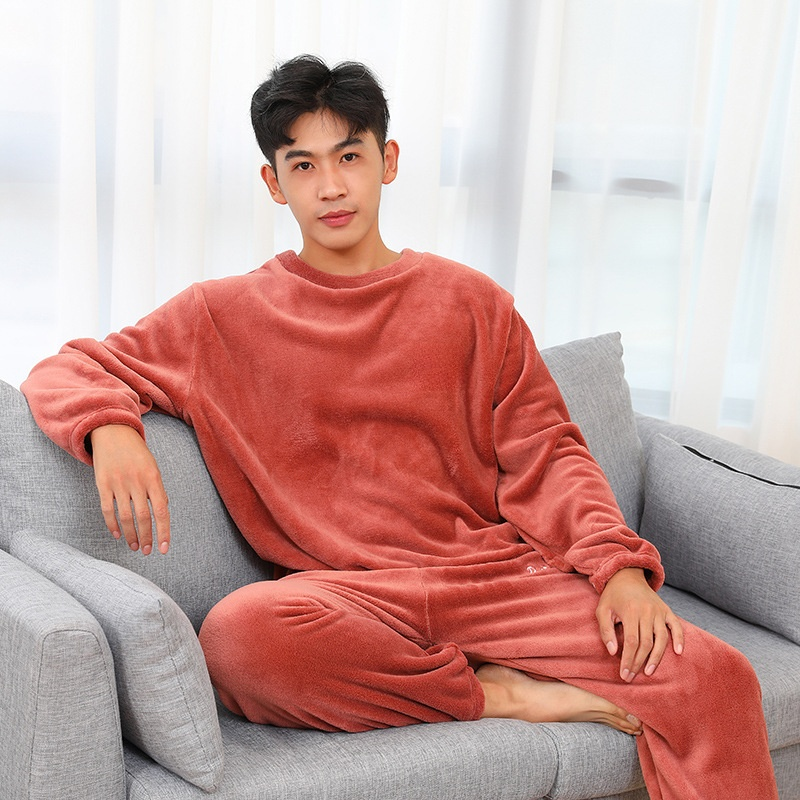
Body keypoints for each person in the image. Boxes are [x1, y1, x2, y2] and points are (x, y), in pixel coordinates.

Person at [22, 55, 777, 799]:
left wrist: (620, 570)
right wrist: (111, 429)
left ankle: (521, 667)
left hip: (498, 583)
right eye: (303, 165)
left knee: (715, 679)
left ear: (387, 161)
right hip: (350, 601)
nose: (331, 186)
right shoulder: (218, 317)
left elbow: (548, 454)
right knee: (237, 638)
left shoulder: (473, 303)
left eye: (349, 156)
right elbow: (67, 369)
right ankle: (497, 694)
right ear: (274, 182)